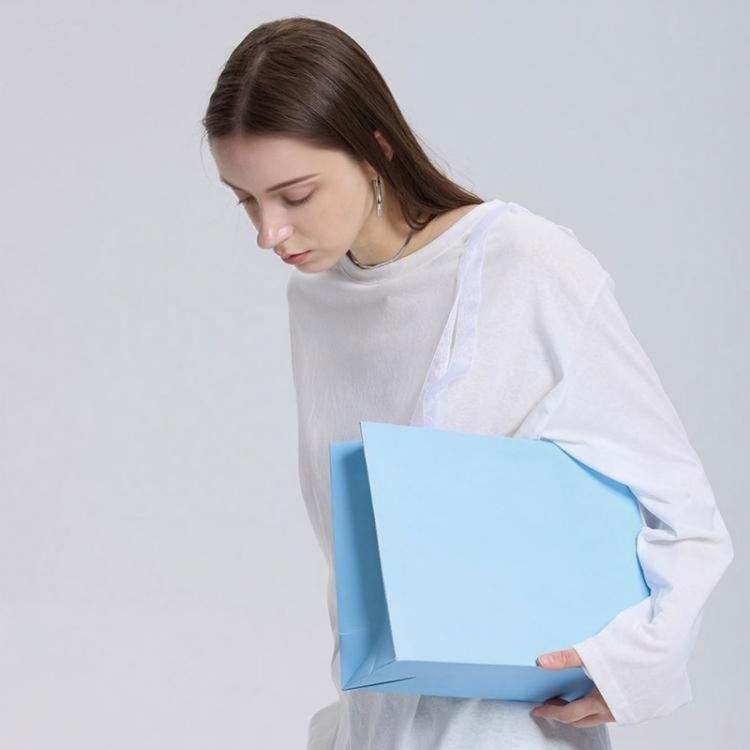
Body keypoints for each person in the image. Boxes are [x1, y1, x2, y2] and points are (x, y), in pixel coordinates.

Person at [202, 16, 734, 750]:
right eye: (245, 200)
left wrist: (632, 662)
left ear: (375, 149)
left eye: (295, 196)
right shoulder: (317, 300)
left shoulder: (521, 263)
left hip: (510, 731)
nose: (269, 233)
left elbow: (685, 511)